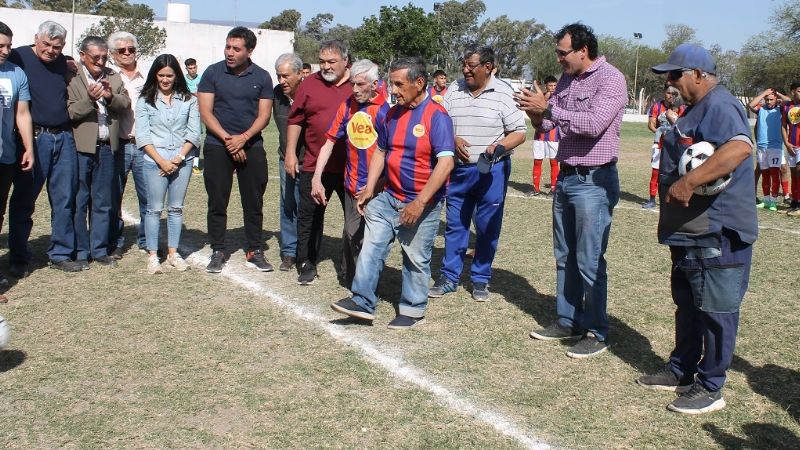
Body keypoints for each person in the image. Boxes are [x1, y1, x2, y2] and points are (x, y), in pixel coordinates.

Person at [636, 43, 757, 415]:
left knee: (716, 311)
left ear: (699, 75)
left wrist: (689, 183)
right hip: (692, 231)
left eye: (675, 74)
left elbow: (739, 148)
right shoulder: (696, 108)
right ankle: (682, 369)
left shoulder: (720, 105)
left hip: (717, 230)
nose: (670, 82)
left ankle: (710, 386)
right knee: (688, 305)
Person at [515, 23, 626, 358]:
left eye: (563, 52)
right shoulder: (566, 79)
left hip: (594, 181)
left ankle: (596, 331)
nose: (559, 58)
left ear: (583, 50)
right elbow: (549, 125)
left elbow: (593, 125)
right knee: (565, 257)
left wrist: (548, 108)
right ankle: (568, 320)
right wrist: (535, 113)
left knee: (589, 259)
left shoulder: (611, 78)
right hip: (565, 179)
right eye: (558, 53)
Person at [330, 56, 455, 329]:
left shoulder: (437, 117)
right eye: (392, 83)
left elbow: (446, 163)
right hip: (389, 196)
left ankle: (412, 309)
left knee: (415, 258)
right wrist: (369, 189)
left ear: (419, 83)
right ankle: (362, 301)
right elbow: (382, 152)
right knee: (371, 247)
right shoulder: (390, 114)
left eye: (399, 84)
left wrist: (420, 203)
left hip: (422, 203)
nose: (393, 90)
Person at [428, 45, 526, 301]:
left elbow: (519, 132)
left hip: (491, 172)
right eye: (464, 64)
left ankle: (481, 279)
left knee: (486, 227)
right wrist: (452, 138)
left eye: (472, 65)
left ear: (488, 67)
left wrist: (499, 147)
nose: (465, 70)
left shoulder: (504, 93)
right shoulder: (453, 90)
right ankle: (449, 277)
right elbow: (438, 121)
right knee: (455, 225)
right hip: (458, 172)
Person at [7, 20, 81, 274]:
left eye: (57, 47)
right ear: (36, 38)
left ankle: (60, 253)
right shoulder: (18, 56)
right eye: (46, 44)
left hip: (64, 137)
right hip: (34, 139)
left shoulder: (65, 63)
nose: (51, 50)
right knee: (25, 200)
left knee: (64, 199)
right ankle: (18, 256)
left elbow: (70, 67)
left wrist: (70, 61)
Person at [198, 27, 273, 273]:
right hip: (217, 146)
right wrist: (230, 140)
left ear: (250, 50)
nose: (230, 53)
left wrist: (244, 139)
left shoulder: (262, 77)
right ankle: (218, 249)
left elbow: (264, 116)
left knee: (254, 202)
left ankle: (255, 249)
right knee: (217, 201)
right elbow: (206, 113)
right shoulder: (212, 73)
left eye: (236, 49)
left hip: (252, 146)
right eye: (228, 47)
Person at [310, 59, 389, 288]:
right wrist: (317, 177)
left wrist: (375, 185)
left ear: (375, 84)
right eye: (352, 84)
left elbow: (391, 156)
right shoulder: (347, 106)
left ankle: (365, 285)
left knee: (371, 238)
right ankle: (351, 278)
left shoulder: (386, 113)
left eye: (360, 84)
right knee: (352, 232)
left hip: (377, 189)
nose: (354, 89)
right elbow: (329, 142)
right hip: (351, 185)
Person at [285, 40, 352, 285]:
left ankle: (350, 268)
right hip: (314, 165)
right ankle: (306, 262)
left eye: (331, 62)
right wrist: (291, 153)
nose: (325, 66)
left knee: (354, 220)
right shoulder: (309, 84)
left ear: (346, 61)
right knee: (309, 217)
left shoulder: (359, 84)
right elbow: (295, 120)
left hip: (351, 168)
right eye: (321, 61)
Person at [67, 36, 130, 269]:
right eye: (96, 57)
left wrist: (109, 96)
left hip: (106, 147)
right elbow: (71, 112)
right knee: (80, 200)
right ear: (83, 55)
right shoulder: (71, 76)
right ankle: (82, 251)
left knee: (103, 202)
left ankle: (100, 249)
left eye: (104, 57)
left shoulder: (113, 76)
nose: (101, 61)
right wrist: (90, 99)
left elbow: (125, 104)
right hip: (81, 148)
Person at [136, 54, 200, 274]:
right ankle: (153, 255)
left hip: (183, 160)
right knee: (153, 209)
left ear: (176, 76)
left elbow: (193, 132)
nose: (165, 79)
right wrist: (162, 161)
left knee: (176, 208)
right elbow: (143, 136)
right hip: (155, 160)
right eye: (161, 75)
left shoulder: (189, 99)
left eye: (169, 75)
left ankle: (173, 253)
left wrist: (179, 158)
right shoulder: (145, 100)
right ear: (156, 75)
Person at [0, 21, 34, 286]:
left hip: (6, 156)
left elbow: (21, 114)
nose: (5, 50)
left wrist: (29, 148)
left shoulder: (16, 74)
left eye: (9, 46)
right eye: (1, 45)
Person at [108, 31, 147, 257]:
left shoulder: (147, 76)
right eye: (121, 50)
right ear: (113, 53)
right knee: (114, 195)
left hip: (143, 144)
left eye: (131, 49)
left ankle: (147, 239)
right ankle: (115, 240)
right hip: (118, 145)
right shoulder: (109, 76)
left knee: (148, 196)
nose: (127, 54)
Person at [272, 52, 305, 271]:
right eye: (278, 76)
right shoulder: (276, 94)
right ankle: (289, 252)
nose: (282, 81)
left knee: (308, 208)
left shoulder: (311, 92)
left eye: (286, 76)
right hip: (286, 159)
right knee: (288, 205)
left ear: (300, 74)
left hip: (309, 162)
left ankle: (306, 253)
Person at [643, 85, 685, 209]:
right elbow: (651, 125)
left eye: (674, 93)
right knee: (655, 172)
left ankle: (673, 198)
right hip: (659, 145)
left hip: (675, 146)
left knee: (677, 172)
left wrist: (673, 134)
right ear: (664, 93)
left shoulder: (682, 108)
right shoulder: (657, 106)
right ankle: (651, 199)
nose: (671, 95)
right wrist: (661, 133)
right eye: (668, 92)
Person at [748, 88, 787, 211]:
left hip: (775, 146)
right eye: (767, 99)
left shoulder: (780, 109)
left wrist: (778, 93)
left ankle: (773, 201)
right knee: (765, 174)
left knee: (775, 174)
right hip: (761, 146)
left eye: (771, 99)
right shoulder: (761, 109)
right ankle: (765, 200)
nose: (769, 101)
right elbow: (751, 105)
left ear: (776, 99)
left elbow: (789, 101)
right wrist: (764, 93)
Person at [527, 75, 560, 197]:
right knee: (537, 161)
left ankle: (553, 189)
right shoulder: (540, 98)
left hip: (553, 136)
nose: (553, 88)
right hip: (539, 135)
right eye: (550, 85)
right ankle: (535, 188)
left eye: (554, 85)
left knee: (554, 162)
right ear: (546, 86)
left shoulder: (559, 98)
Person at [782, 81, 800, 216]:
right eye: (799, 91)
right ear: (793, 91)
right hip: (791, 145)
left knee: (799, 172)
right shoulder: (787, 106)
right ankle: (794, 202)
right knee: (794, 174)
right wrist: (787, 143)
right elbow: (783, 125)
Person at [184, 57, 203, 175]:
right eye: (190, 68)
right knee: (183, 138)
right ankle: (183, 161)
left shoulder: (201, 79)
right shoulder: (182, 79)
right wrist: (192, 93)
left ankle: (195, 165)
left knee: (197, 138)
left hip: (197, 112)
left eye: (194, 67)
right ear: (186, 69)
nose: (192, 70)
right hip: (184, 113)